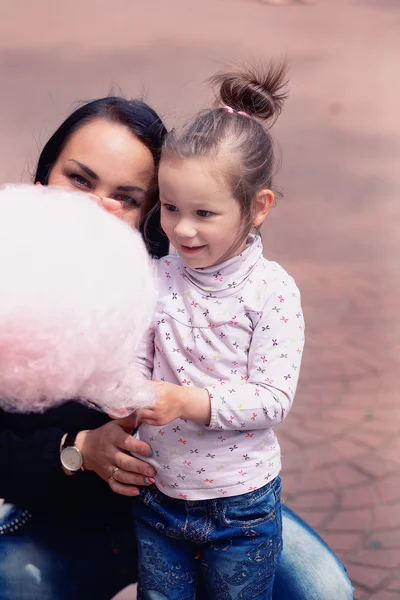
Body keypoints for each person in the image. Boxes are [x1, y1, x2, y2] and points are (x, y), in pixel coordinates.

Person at [0, 96, 353, 600]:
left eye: (126, 196)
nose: (97, 206)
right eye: (79, 179)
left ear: (150, 211)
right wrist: (79, 450)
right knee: (13, 583)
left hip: (198, 496)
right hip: (63, 511)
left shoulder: (170, 279)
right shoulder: (8, 270)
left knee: (321, 588)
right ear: (42, 179)